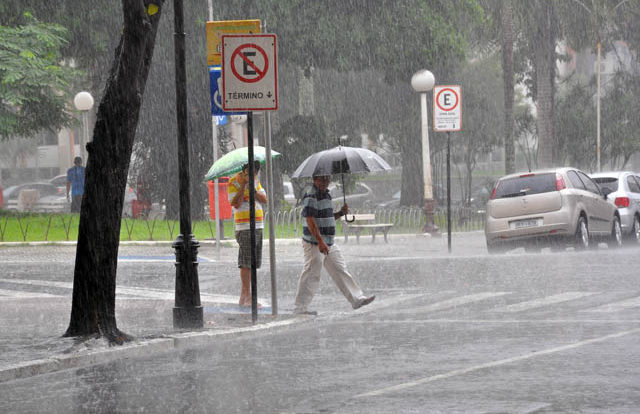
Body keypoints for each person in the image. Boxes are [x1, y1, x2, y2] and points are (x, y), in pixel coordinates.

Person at [294, 174, 375, 315]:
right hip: (314, 243)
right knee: (312, 273)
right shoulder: (311, 196)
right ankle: (300, 308)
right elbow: (310, 220)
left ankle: (357, 299)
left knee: (340, 269)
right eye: (322, 179)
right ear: (315, 180)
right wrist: (320, 241)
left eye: (327, 179)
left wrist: (340, 213)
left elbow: (327, 217)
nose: (325, 182)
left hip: (329, 242)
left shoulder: (326, 195)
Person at [228, 161, 267, 307]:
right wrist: (243, 186)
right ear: (243, 171)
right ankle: (248, 297)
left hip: (258, 225)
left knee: (254, 262)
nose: (253, 175)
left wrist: (253, 189)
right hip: (244, 226)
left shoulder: (256, 181)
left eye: (255, 172)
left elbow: (264, 200)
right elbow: (235, 203)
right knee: (246, 262)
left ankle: (245, 296)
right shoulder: (233, 182)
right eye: (249, 172)